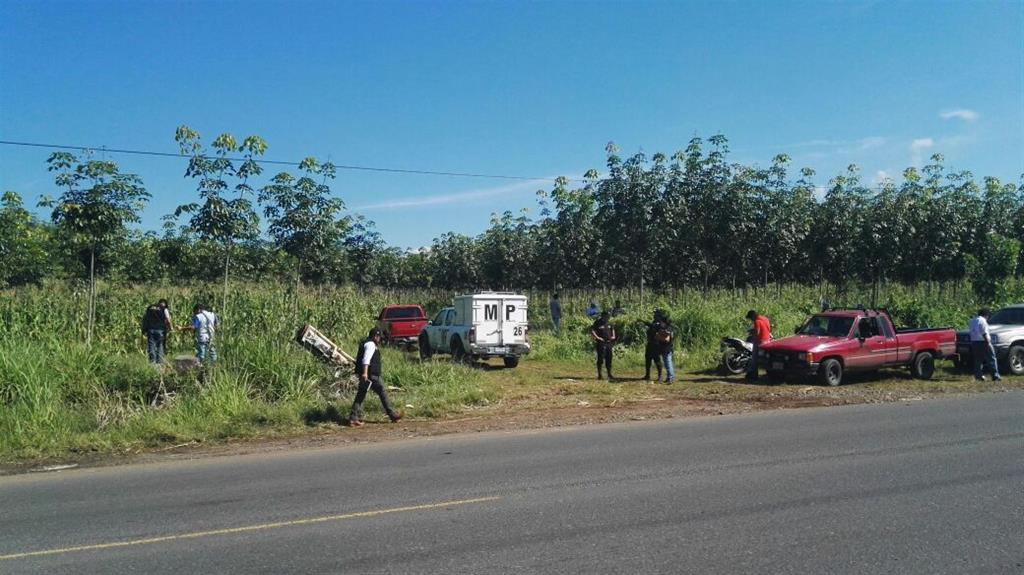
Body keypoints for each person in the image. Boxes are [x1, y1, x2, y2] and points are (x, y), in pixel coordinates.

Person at [349, 328, 402, 427]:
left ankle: (353, 418)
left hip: (367, 374)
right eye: (378, 337)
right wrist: (365, 373)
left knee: (360, 395)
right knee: (382, 392)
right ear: (375, 336)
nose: (379, 339)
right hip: (371, 375)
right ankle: (392, 415)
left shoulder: (365, 343)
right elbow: (366, 359)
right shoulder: (371, 345)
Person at [968, 308, 1001, 382]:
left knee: (978, 360)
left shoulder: (972, 321)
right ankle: (995, 376)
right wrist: (988, 342)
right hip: (983, 341)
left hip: (974, 342)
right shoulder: (983, 321)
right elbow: (984, 332)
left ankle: (978, 376)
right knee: (991, 359)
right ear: (986, 315)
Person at [141, 299, 172, 364]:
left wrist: (143, 329)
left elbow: (145, 318)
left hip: (150, 329)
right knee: (160, 345)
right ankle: (160, 362)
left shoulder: (150, 307)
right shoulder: (164, 309)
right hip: (160, 329)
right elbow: (168, 320)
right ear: (164, 304)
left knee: (151, 345)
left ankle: (152, 361)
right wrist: (170, 328)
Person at [745, 309, 772, 381]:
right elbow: (768, 329)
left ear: (753, 316)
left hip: (759, 341)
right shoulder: (765, 319)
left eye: (751, 318)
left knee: (754, 358)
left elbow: (757, 332)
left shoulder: (756, 321)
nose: (751, 320)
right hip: (767, 341)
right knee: (765, 358)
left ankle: (754, 375)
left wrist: (752, 337)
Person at [590, 311, 616, 380]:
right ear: (603, 316)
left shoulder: (609, 322)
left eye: (609, 316)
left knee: (609, 359)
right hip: (601, 343)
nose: (608, 317)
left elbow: (612, 329)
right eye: (607, 316)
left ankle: (609, 374)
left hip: (608, 342)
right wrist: (597, 337)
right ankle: (600, 375)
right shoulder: (597, 322)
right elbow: (592, 330)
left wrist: (613, 336)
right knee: (600, 359)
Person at [643, 310, 664, 382]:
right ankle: (647, 375)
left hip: (656, 344)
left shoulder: (660, 324)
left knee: (657, 360)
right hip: (650, 343)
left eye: (656, 315)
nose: (654, 316)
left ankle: (660, 376)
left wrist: (644, 322)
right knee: (648, 359)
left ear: (659, 316)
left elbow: (654, 326)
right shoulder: (654, 322)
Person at [657, 315, 676, 384]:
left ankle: (671, 377)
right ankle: (669, 377)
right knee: (666, 363)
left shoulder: (668, 328)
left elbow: (666, 339)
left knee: (668, 363)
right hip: (664, 348)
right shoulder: (665, 328)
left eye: (661, 322)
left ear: (664, 322)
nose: (660, 323)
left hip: (667, 348)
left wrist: (659, 336)